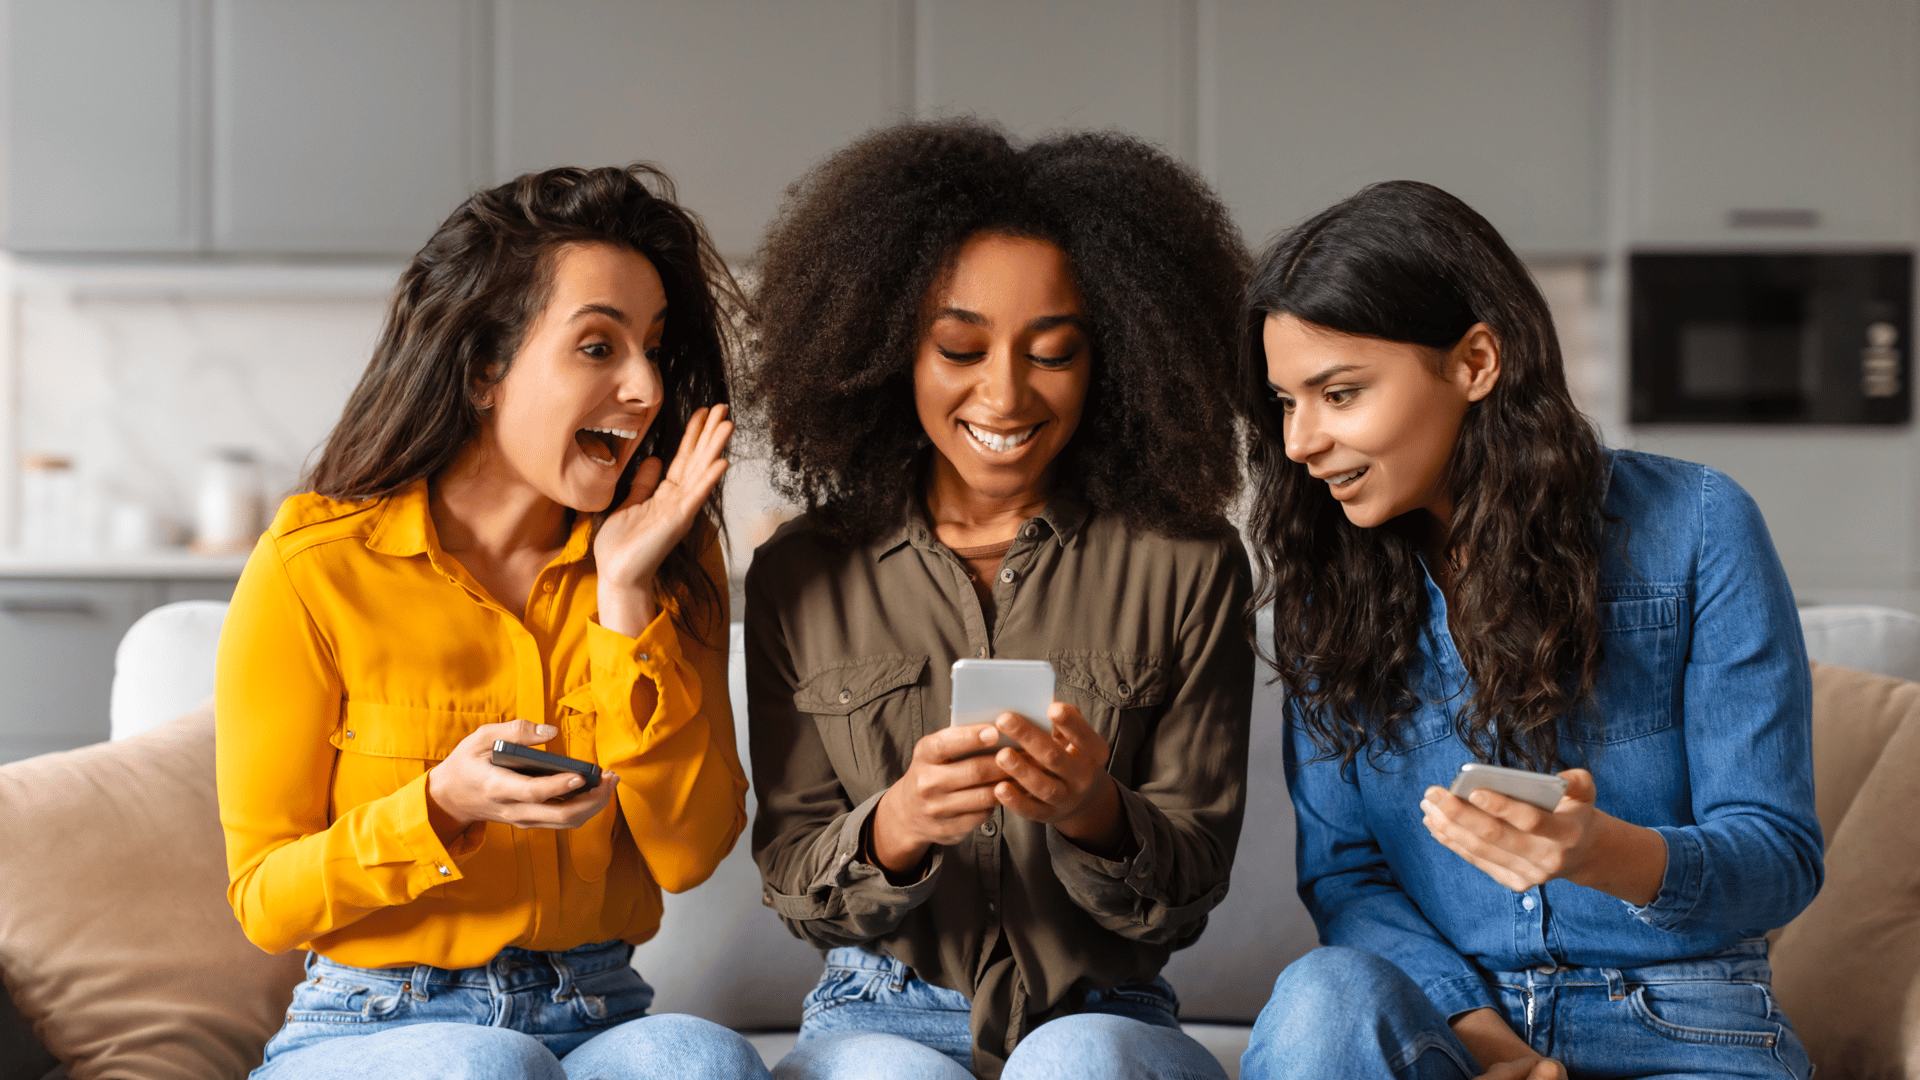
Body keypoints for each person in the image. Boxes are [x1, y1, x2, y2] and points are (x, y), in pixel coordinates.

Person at [1235, 180, 1823, 1080]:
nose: (1300, 443)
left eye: (1339, 394)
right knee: (1324, 996)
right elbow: (1349, 877)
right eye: (1286, 403)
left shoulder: (1699, 526)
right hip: (1454, 1029)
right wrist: (1489, 1045)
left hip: (1686, 1027)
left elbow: (1778, 858)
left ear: (1475, 362)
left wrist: (1603, 852)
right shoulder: (1326, 591)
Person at [216, 165, 772, 1080]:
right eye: (598, 347)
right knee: (483, 1068)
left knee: (704, 1060)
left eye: (654, 349)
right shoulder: (315, 565)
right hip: (374, 1019)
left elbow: (688, 853)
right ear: (482, 368)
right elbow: (264, 901)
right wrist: (439, 806)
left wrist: (625, 596)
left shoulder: (669, 562)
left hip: (597, 1007)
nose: (643, 388)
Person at [739, 120, 1253, 1080]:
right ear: (893, 352)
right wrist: (901, 823)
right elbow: (795, 877)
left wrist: (1095, 808)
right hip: (879, 1012)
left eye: (1052, 352)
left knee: (1083, 1064)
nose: (1005, 395)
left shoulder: (1189, 562)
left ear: (1116, 360)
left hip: (1103, 1009)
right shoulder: (801, 574)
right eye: (959, 349)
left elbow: (1190, 886)